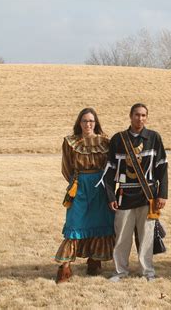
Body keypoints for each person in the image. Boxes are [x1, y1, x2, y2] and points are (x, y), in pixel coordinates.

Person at [104, 103, 168, 282]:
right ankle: (120, 271)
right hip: (124, 196)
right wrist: (110, 195)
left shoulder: (154, 138)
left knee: (146, 236)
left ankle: (147, 271)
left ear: (147, 117)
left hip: (148, 196)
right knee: (122, 237)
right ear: (130, 116)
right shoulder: (118, 139)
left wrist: (162, 194)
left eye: (143, 115)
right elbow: (110, 169)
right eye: (137, 115)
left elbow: (162, 167)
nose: (140, 118)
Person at [54, 107, 115, 284]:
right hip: (79, 187)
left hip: (100, 188)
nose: (88, 124)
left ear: (95, 123)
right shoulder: (70, 141)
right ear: (79, 123)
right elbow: (66, 168)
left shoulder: (105, 141)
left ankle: (94, 261)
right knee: (75, 223)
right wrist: (76, 182)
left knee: (100, 223)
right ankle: (64, 267)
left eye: (91, 121)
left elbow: (111, 166)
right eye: (84, 121)